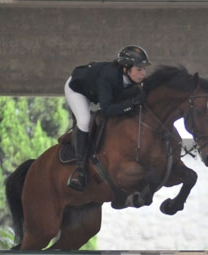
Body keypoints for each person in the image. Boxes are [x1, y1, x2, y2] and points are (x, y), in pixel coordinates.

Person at [64, 45, 151, 192]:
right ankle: (79, 170)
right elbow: (107, 110)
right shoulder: (108, 76)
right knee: (84, 120)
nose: (143, 73)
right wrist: (132, 103)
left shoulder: (132, 78)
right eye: (139, 69)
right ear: (126, 69)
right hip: (78, 89)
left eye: (143, 69)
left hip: (100, 91)